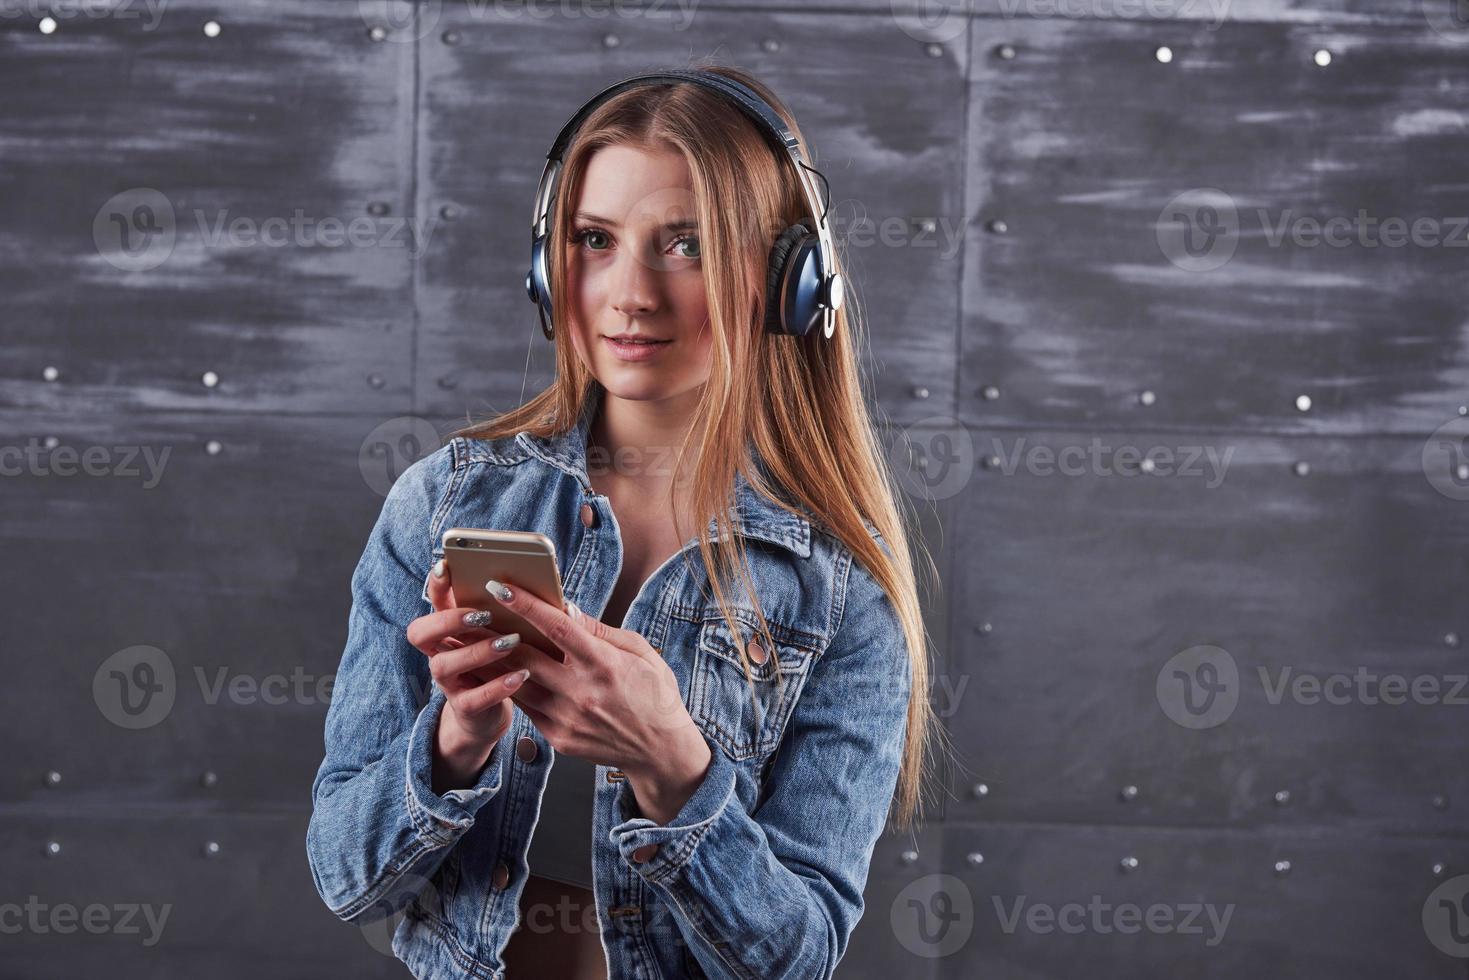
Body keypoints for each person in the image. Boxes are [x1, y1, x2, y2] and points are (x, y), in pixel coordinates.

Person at [307, 61, 946, 980]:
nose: (629, 292)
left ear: (786, 282)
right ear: (545, 264)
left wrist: (673, 766)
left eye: (684, 244)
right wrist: (456, 741)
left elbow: (795, 958)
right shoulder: (445, 501)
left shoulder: (841, 582)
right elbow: (346, 881)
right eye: (595, 238)